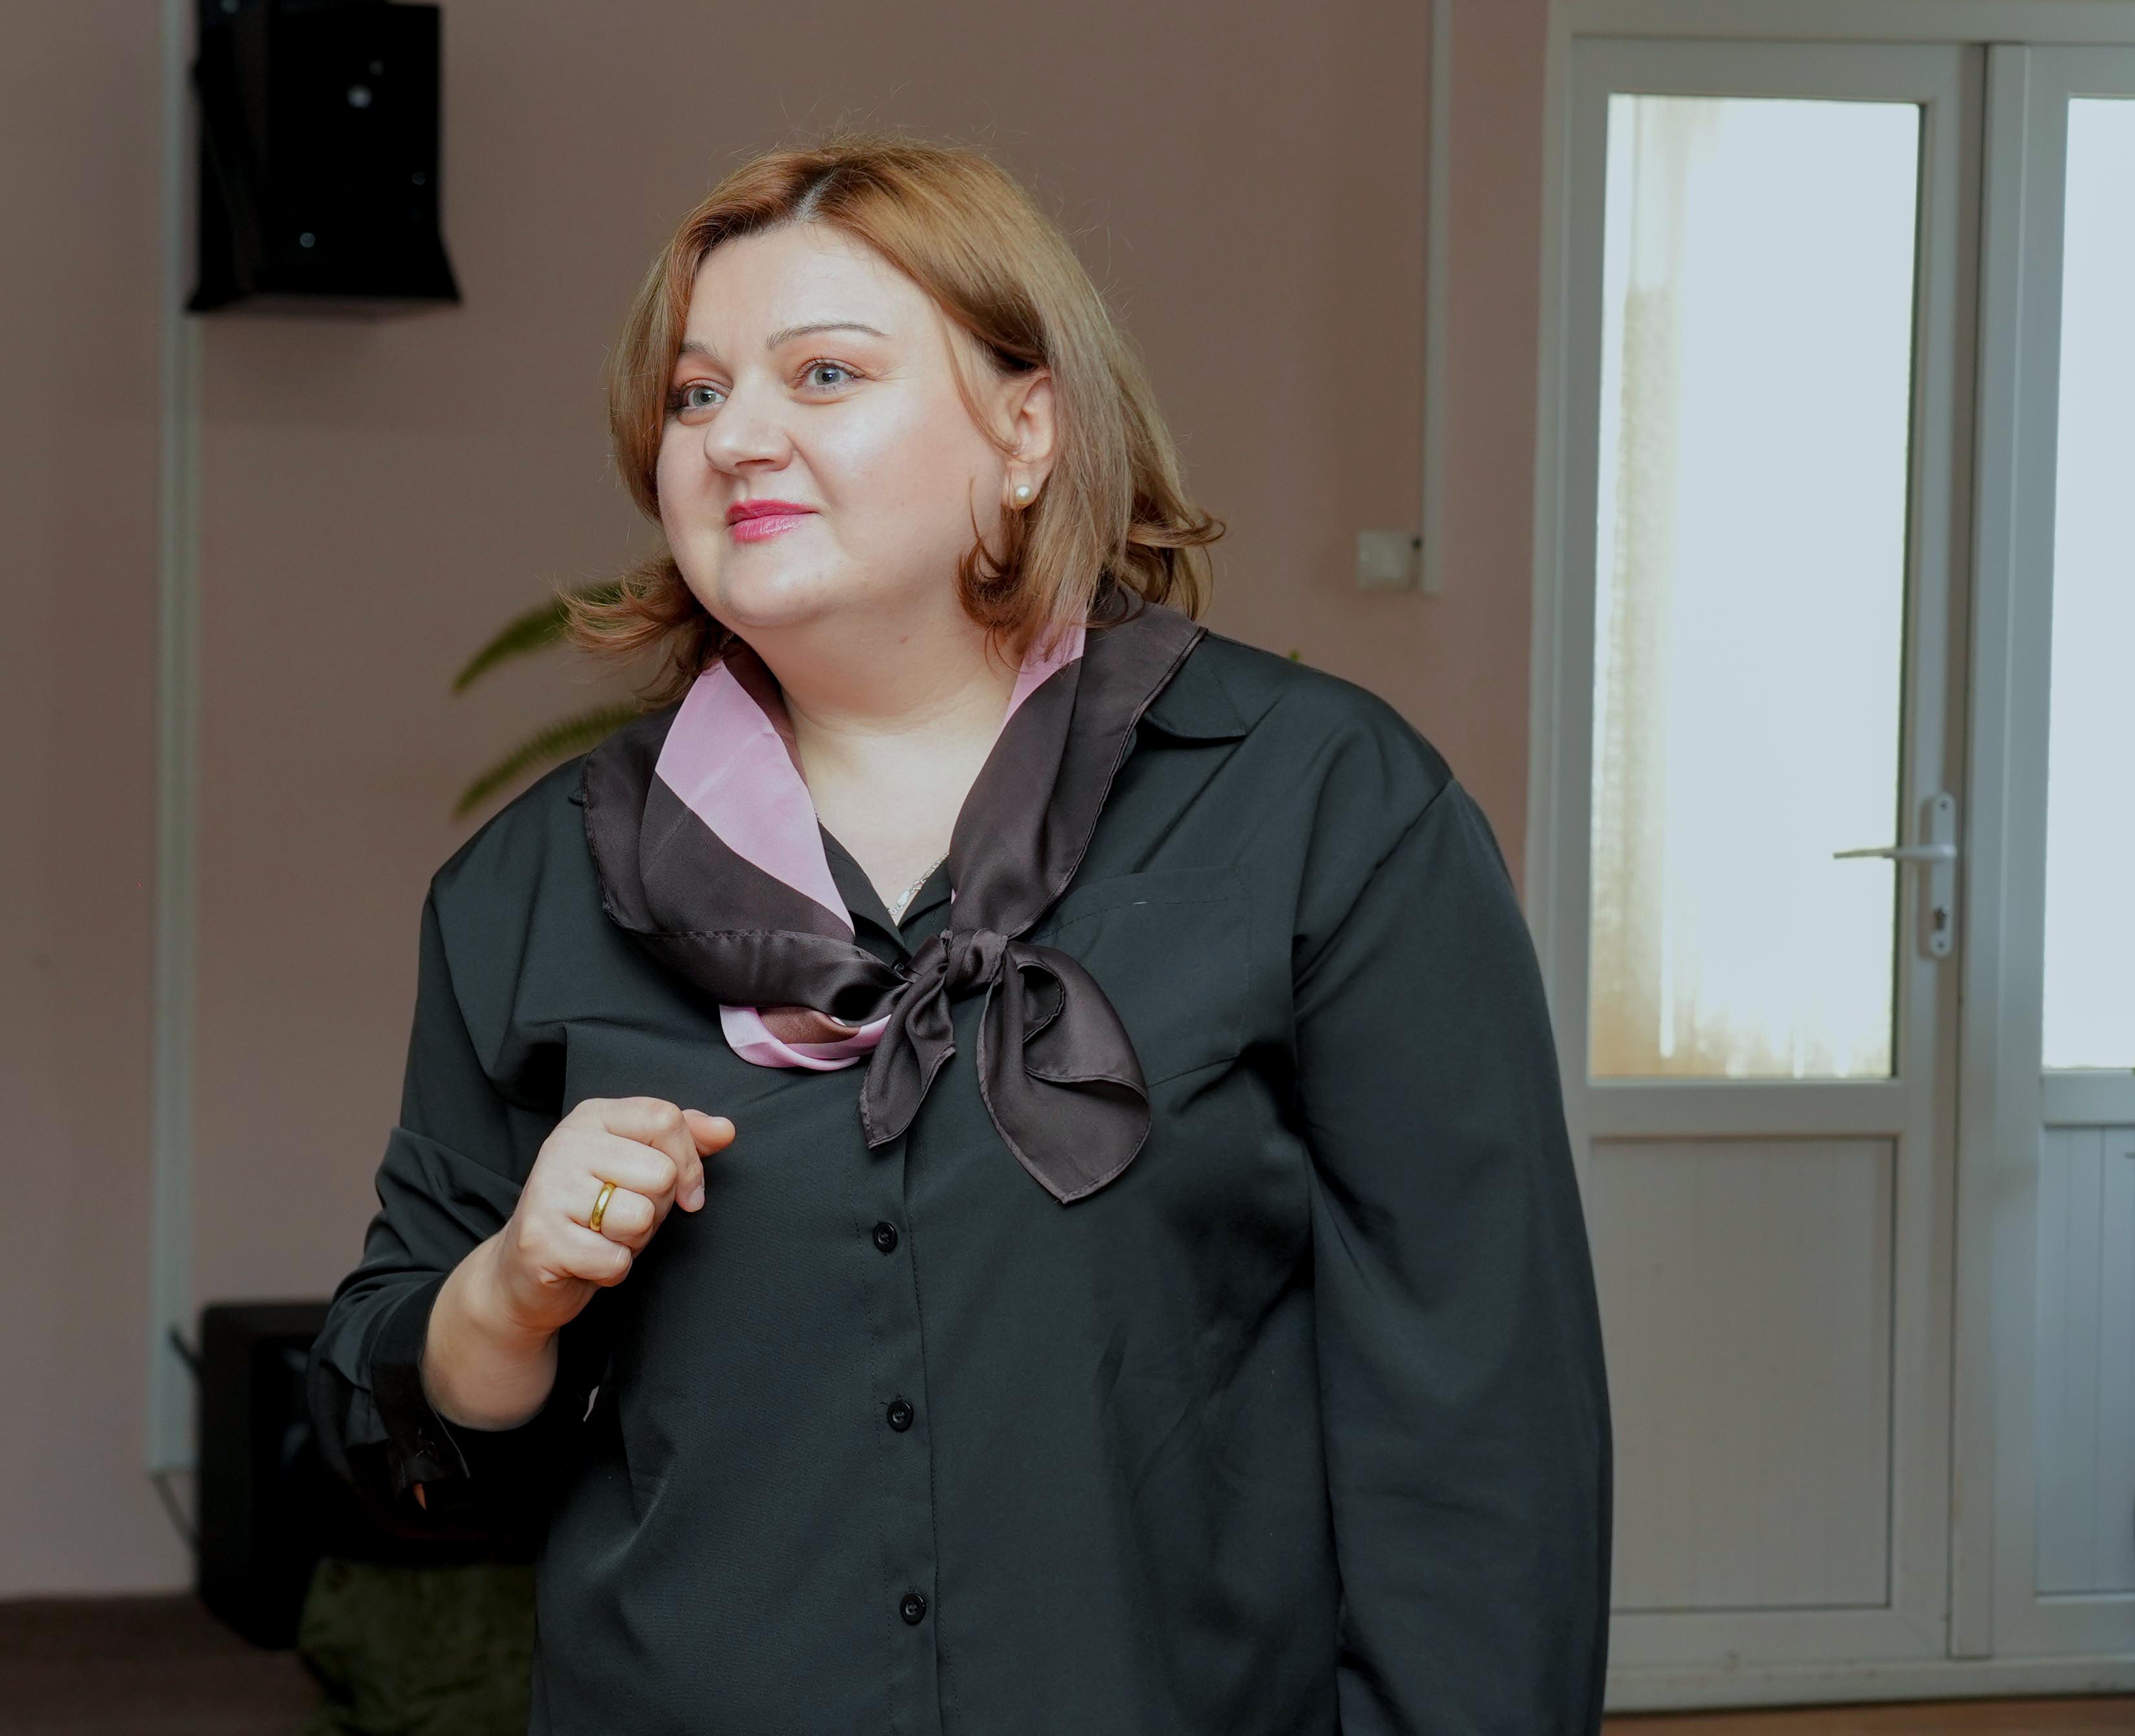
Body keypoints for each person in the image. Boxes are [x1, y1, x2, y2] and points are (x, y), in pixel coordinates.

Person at [308, 131, 1612, 1735]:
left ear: (1025, 429)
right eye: (698, 394)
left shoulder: (1325, 813)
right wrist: (504, 1296)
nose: (736, 437)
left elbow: (1479, 1431)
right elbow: (389, 1422)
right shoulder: (528, 887)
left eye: (825, 373)